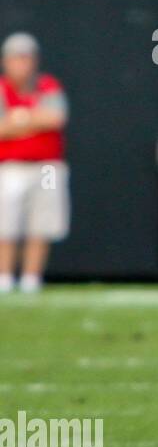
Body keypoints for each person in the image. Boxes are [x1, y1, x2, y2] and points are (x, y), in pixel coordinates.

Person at [0, 32, 69, 293]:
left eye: (26, 59)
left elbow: (54, 119)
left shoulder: (48, 86)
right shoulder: (2, 89)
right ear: (6, 61)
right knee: (5, 223)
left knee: (42, 222)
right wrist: (30, 120)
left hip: (47, 166)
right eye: (16, 59)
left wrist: (17, 119)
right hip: (10, 166)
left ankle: (31, 278)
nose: (21, 64)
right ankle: (4, 277)